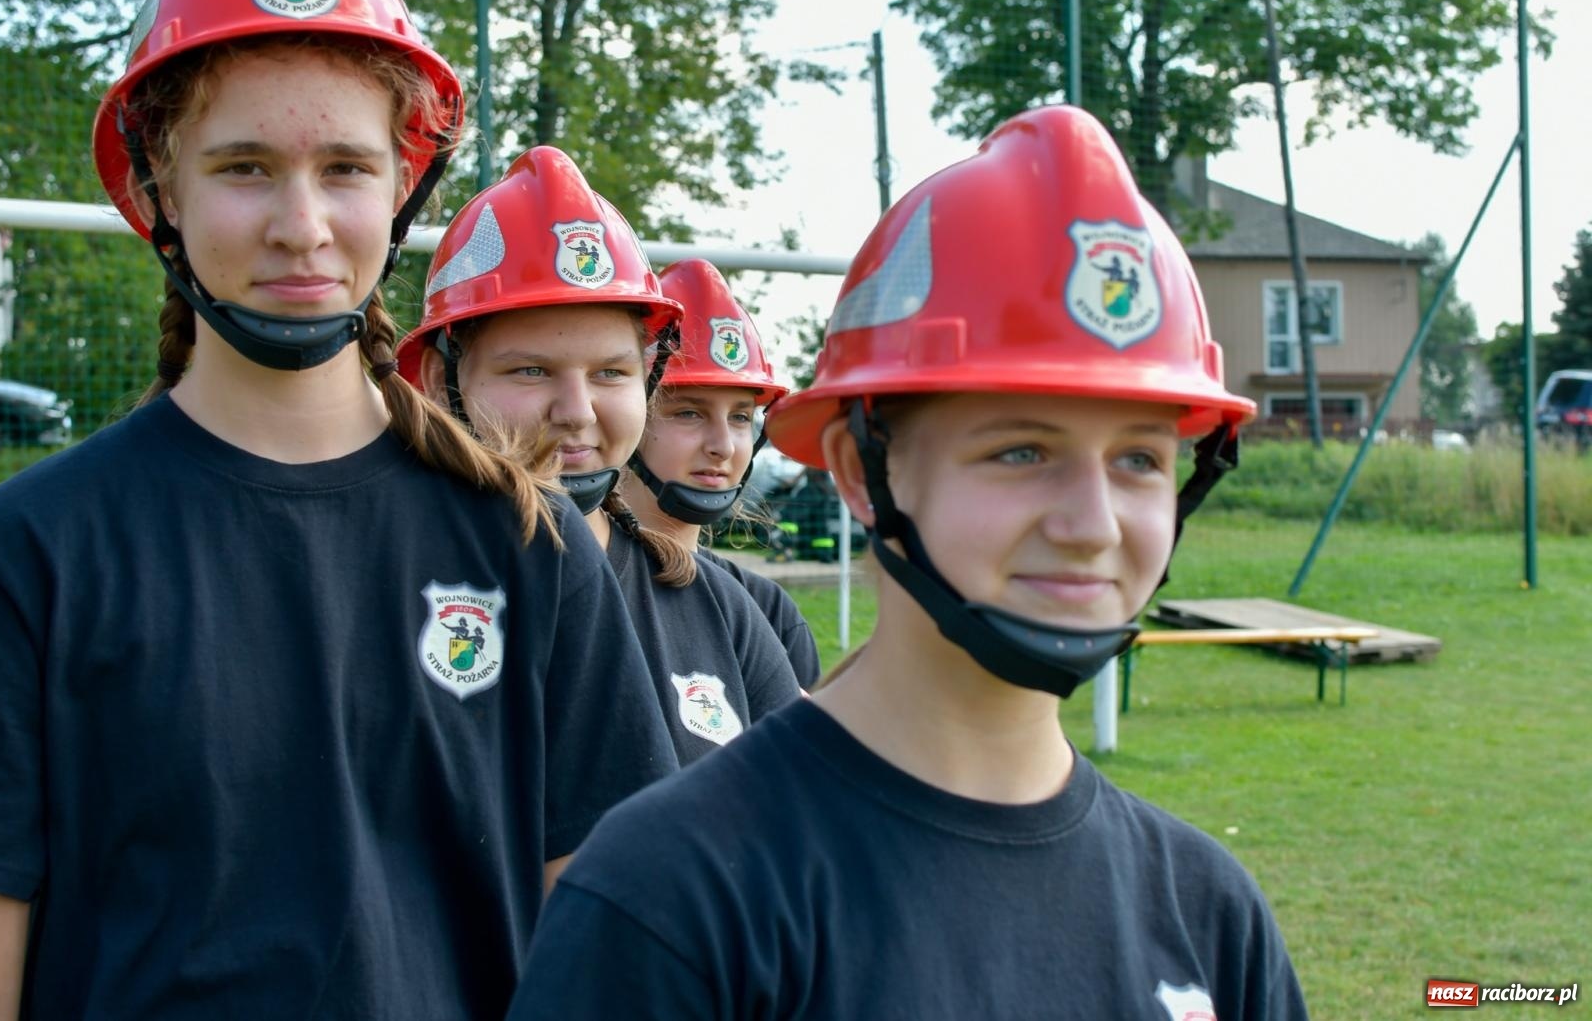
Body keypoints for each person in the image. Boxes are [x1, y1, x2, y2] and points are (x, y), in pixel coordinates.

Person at [507, 105, 1309, 1019]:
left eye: (1139, 460)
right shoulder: (671, 896)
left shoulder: (1213, 920)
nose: (1094, 525)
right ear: (861, 470)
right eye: (1021, 452)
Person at [0, 0, 676, 1016]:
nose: (301, 225)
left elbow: (616, 953)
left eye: (347, 168)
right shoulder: (34, 548)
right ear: (158, 188)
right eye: (245, 167)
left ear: (405, 188)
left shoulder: (524, 543)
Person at [397, 147, 802, 766]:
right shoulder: (370, 577)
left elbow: (797, 832)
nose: (578, 411)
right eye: (531, 370)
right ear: (437, 377)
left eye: (610, 373)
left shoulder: (719, 610)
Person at [622, 258, 821, 689]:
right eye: (689, 412)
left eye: (740, 417)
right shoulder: (576, 583)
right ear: (628, 415)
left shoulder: (769, 610)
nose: (723, 446)